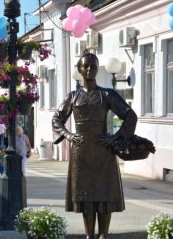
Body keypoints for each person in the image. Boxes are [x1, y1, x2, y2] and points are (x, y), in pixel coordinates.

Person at [52, 53, 138, 239]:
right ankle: (89, 235)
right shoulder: (72, 97)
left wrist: (115, 137)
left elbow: (130, 116)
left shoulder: (107, 94)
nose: (90, 69)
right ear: (80, 69)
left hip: (103, 152)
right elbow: (57, 119)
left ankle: (103, 236)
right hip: (81, 153)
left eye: (93, 66)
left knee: (105, 194)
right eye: (86, 66)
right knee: (86, 197)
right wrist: (68, 135)